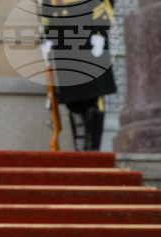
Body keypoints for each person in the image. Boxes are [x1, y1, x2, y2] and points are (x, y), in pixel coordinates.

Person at [40, 0, 117, 151]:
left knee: (92, 97)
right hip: (63, 41)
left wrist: (99, 32)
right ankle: (80, 152)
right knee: (73, 101)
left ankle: (91, 153)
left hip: (89, 34)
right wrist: (48, 37)